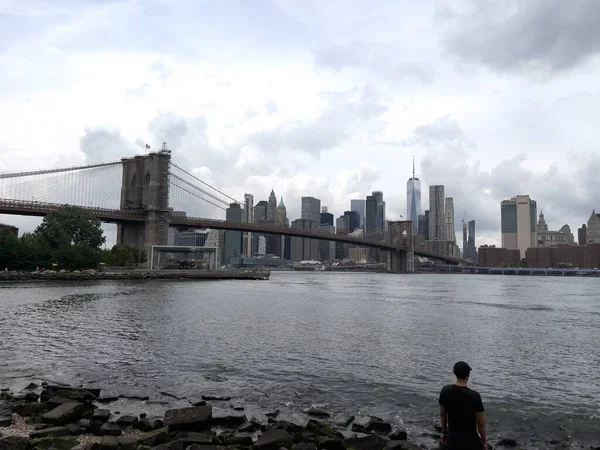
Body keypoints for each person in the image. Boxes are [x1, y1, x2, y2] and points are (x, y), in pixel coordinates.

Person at [438, 361, 487, 450]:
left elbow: (442, 413)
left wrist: (444, 432)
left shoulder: (445, 390)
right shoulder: (475, 396)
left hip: (452, 438)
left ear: (455, 373)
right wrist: (484, 442)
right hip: (471, 440)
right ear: (468, 376)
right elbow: (481, 423)